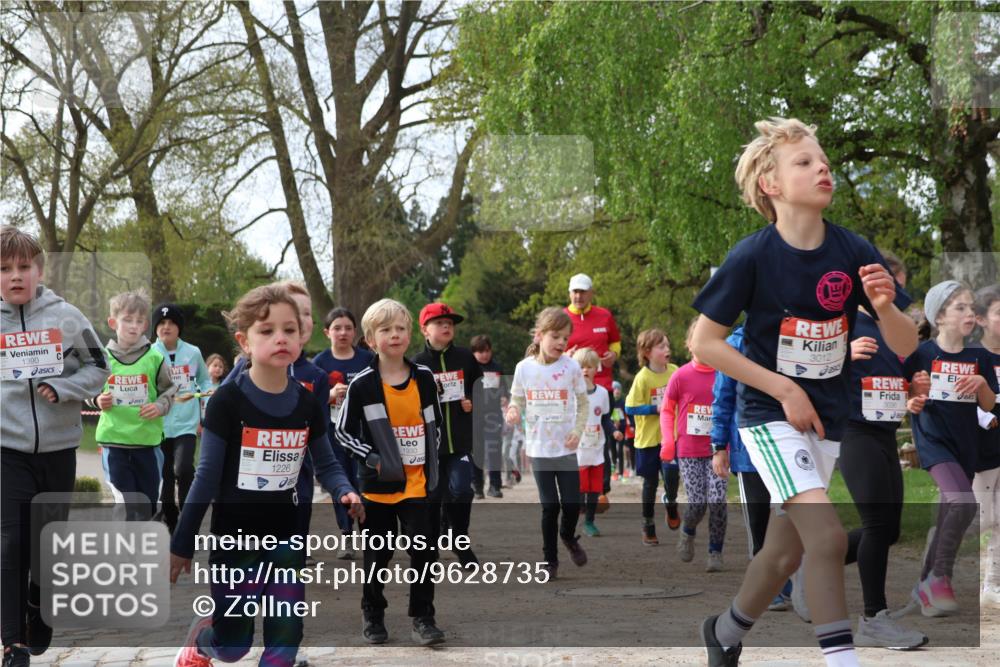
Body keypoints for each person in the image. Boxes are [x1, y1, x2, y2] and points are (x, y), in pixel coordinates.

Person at [691, 117, 917, 667]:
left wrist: (885, 307)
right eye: (805, 162)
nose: (822, 169)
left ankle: (723, 631)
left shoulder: (852, 248)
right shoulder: (752, 255)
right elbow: (704, 344)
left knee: (784, 550)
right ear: (770, 184)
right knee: (828, 539)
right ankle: (842, 660)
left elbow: (906, 344)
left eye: (825, 163)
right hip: (770, 415)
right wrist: (784, 389)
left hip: (828, 418)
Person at [170, 284, 361, 667]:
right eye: (267, 331)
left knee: (285, 639)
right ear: (244, 341)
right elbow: (205, 475)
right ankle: (204, 641)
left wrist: (344, 490)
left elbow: (325, 462)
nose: (280, 338)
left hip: (287, 535)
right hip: (235, 539)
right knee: (233, 646)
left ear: (302, 335)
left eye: (289, 330)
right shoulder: (227, 400)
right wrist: (182, 541)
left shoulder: (307, 402)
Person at [1, 226, 109, 667]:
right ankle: (12, 644)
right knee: (8, 543)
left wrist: (65, 387)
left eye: (24, 266)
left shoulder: (66, 317)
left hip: (59, 450)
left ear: (39, 270)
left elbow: (99, 366)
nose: (15, 276)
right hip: (6, 449)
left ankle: (37, 600)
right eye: (5, 269)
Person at [333, 298, 447, 646]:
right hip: (378, 489)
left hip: (418, 485)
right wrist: (372, 457)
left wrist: (431, 463)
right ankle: (373, 613)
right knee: (377, 555)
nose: (394, 335)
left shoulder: (425, 378)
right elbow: (342, 431)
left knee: (425, 552)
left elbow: (436, 424)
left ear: (410, 334)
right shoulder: (363, 384)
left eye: (400, 328)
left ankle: (423, 618)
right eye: (385, 330)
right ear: (370, 339)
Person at [841, 251, 928, 648]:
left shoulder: (896, 329)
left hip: (885, 432)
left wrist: (916, 388)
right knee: (877, 524)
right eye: (896, 289)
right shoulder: (844, 324)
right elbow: (797, 367)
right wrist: (842, 356)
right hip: (853, 431)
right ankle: (874, 618)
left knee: (889, 529)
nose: (900, 299)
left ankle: (811, 561)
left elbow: (905, 377)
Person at [904, 280, 997, 617]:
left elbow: (989, 404)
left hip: (966, 445)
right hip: (933, 440)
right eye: (961, 307)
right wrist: (913, 399)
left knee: (951, 511)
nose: (970, 313)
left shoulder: (979, 357)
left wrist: (983, 384)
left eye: (972, 307)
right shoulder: (923, 354)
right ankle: (941, 577)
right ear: (939, 316)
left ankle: (924, 582)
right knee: (963, 502)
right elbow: (906, 393)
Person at [223, 282, 331, 548]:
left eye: (307, 314)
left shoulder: (316, 376)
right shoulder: (242, 375)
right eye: (297, 311)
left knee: (292, 538)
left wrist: (339, 483)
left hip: (299, 474)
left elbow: (320, 435)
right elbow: (220, 415)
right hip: (249, 484)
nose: (303, 319)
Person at [710, 324, 794, 611]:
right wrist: (719, 446)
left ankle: (792, 583)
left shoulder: (793, 337)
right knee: (760, 524)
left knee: (790, 516)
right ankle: (772, 588)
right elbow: (723, 399)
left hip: (789, 447)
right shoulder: (734, 345)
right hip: (750, 452)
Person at [506, 307, 589, 579]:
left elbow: (583, 402)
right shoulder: (524, 368)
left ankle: (568, 536)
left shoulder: (571, 366)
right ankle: (549, 560)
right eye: (555, 336)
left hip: (566, 447)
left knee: (572, 503)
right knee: (549, 506)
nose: (561, 343)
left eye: (565, 338)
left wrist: (578, 430)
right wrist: (514, 411)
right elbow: (517, 398)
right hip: (539, 448)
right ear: (540, 335)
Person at [94, 288, 177, 521]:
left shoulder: (155, 357)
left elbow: (170, 389)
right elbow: (89, 387)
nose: (133, 326)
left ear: (145, 326)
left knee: (148, 503)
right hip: (115, 441)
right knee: (127, 502)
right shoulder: (103, 358)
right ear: (113, 322)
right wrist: (98, 399)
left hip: (147, 443)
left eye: (139, 321)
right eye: (127, 320)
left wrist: (160, 406)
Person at [414, 302, 483, 567]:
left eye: (450, 323)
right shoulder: (417, 364)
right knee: (433, 496)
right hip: (430, 445)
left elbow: (482, 392)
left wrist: (471, 400)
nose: (446, 327)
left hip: (461, 442)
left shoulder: (466, 358)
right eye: (440, 323)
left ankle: (459, 539)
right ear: (424, 330)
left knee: (463, 489)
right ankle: (430, 547)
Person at [661, 318, 728, 572]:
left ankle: (715, 551)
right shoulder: (680, 375)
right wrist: (668, 441)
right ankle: (688, 531)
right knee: (698, 502)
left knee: (718, 500)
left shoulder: (724, 374)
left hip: (718, 450)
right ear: (690, 344)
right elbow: (667, 410)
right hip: (689, 451)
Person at [312, 307, 373, 559]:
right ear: (327, 332)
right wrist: (329, 395)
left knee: (364, 482)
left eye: (348, 328)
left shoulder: (367, 360)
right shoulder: (319, 363)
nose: (343, 332)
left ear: (355, 331)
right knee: (341, 483)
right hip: (332, 433)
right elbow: (310, 401)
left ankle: (370, 537)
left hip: (362, 432)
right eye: (337, 328)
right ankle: (346, 537)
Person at [153, 303, 210, 534]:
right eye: (162, 323)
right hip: (159, 424)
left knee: (184, 469)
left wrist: (207, 398)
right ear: (156, 328)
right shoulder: (149, 353)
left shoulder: (193, 352)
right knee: (165, 477)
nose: (166, 327)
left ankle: (188, 526)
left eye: (171, 323)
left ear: (179, 328)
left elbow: (205, 381)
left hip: (186, 424)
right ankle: (172, 520)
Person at [625, 329, 679, 545]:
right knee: (650, 483)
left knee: (672, 478)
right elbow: (630, 407)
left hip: (671, 437)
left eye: (667, 345)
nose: (667, 350)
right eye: (662, 346)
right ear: (647, 352)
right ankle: (648, 525)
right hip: (648, 439)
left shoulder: (675, 371)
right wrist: (654, 408)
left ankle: (671, 503)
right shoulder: (642, 378)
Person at [973, 284, 1000, 608]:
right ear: (980, 319)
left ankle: (992, 585)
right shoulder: (972, 356)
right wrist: (984, 416)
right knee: (979, 519)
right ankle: (934, 572)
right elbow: (959, 399)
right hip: (982, 450)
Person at [572, 348, 615, 537]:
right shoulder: (571, 394)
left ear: (596, 369)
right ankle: (573, 520)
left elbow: (606, 419)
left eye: (589, 366)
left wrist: (614, 432)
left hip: (597, 448)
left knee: (595, 489)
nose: (584, 370)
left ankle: (589, 522)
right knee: (580, 488)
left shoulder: (603, 393)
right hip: (577, 450)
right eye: (580, 367)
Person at [470, 334, 506, 498]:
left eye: (487, 351)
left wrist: (505, 396)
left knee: (494, 451)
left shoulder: (497, 367)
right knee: (476, 453)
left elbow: (504, 388)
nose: (484, 355)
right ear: (473, 352)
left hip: (493, 416)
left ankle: (495, 486)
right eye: (480, 351)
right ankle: (477, 487)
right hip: (474, 415)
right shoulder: (469, 368)